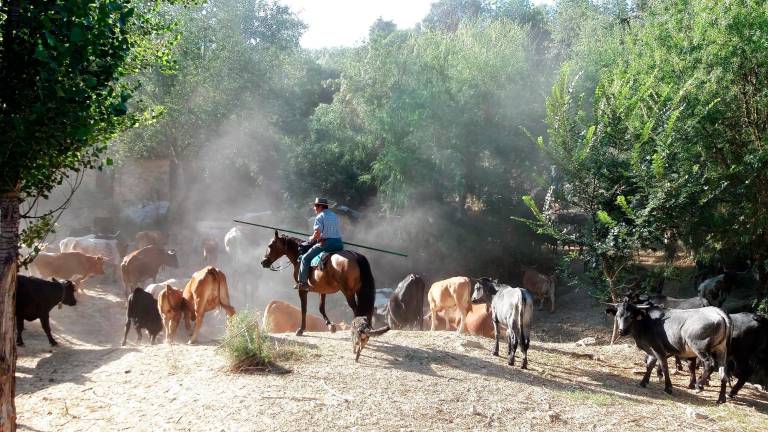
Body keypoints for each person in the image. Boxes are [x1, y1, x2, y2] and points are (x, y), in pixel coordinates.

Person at [296, 198, 343, 291]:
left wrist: (311, 238)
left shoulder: (320, 216)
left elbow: (317, 233)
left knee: (305, 258)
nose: (314, 208)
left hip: (327, 244)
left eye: (315, 206)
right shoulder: (334, 215)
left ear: (321, 206)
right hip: (339, 243)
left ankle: (302, 283)